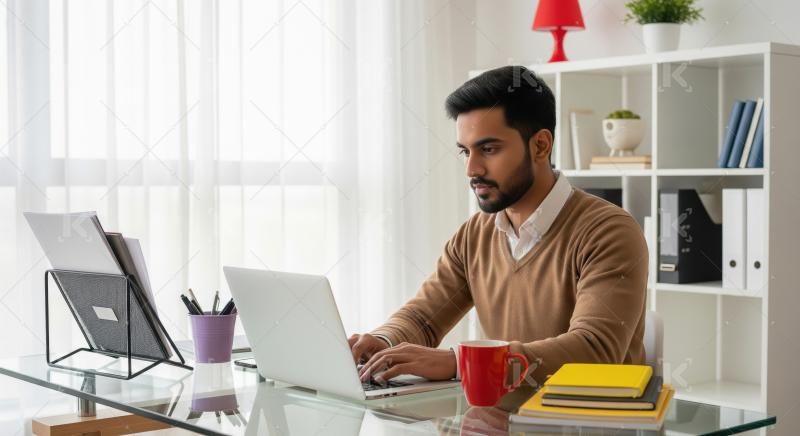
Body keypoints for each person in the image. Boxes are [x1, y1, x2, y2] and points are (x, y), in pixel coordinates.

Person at [350, 65, 648, 387]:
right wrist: (383, 342)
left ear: (540, 146)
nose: (471, 169)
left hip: (586, 414)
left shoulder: (609, 232)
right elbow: (423, 318)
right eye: (465, 151)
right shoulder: (473, 236)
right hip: (499, 413)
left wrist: (461, 362)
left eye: (488, 149)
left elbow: (595, 350)